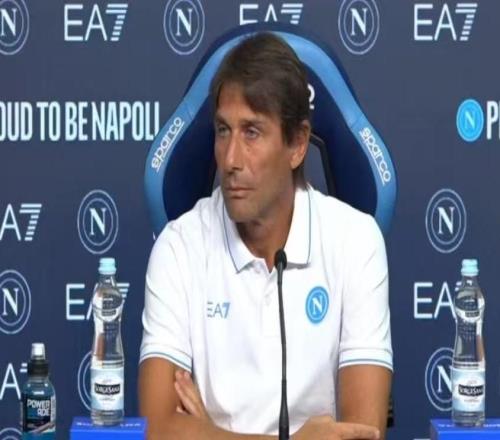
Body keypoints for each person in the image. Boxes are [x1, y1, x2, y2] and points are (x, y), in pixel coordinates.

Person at [138, 32, 392, 440]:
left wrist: (208, 433)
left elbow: (362, 435)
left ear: (297, 145)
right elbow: (158, 429)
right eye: (223, 131)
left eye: (252, 132)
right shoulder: (179, 246)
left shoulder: (357, 242)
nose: (231, 159)